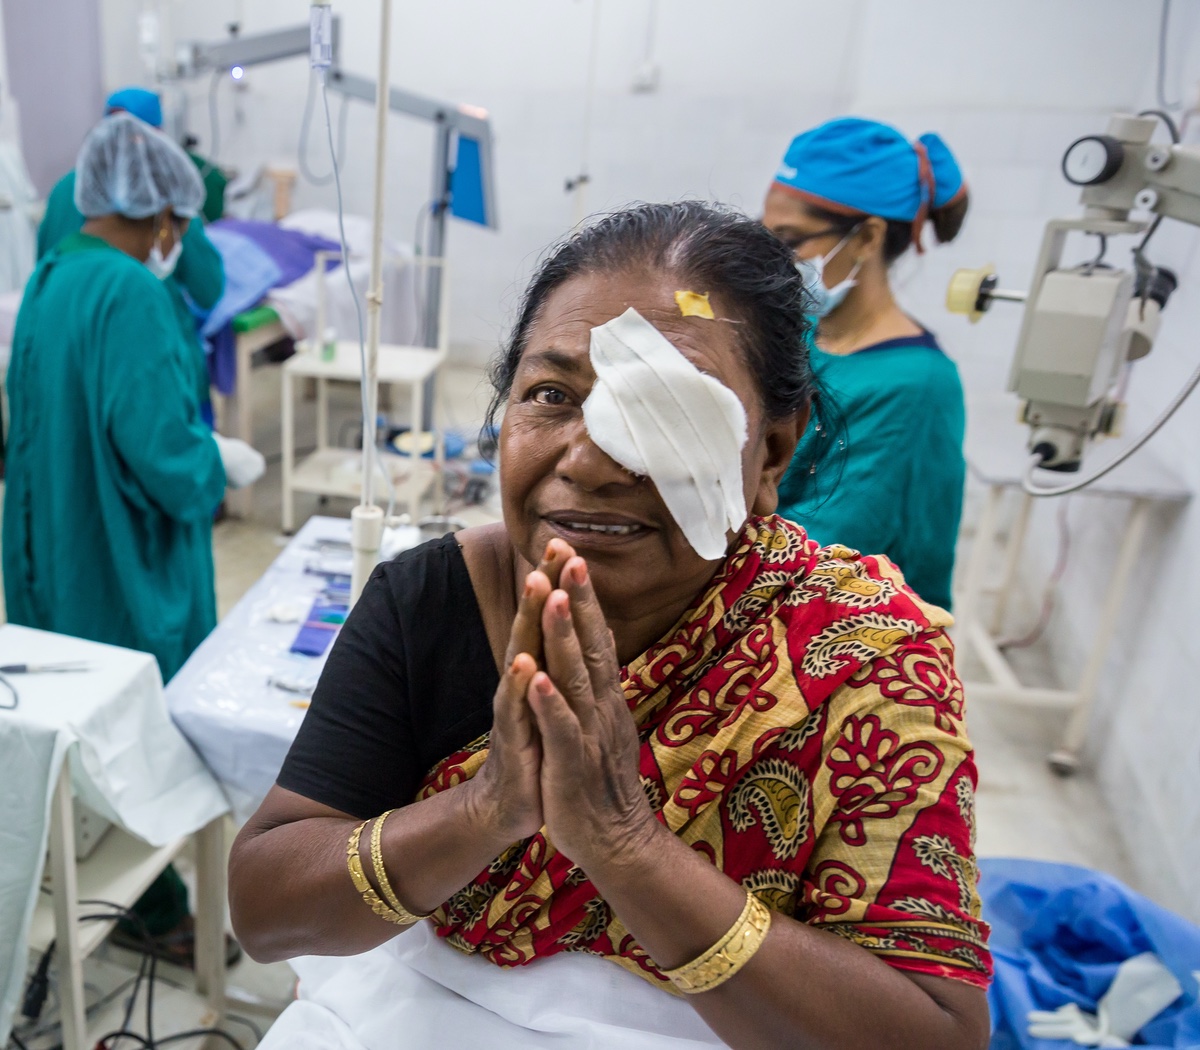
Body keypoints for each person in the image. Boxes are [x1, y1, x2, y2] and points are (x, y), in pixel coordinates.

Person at [231, 201, 991, 1050]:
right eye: (550, 396)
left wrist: (625, 845)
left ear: (771, 453)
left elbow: (936, 1034)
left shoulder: (861, 658)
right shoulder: (431, 600)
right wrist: (484, 812)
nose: (587, 461)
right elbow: (264, 914)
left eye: (665, 412)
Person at [3, 112, 260, 959]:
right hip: (118, 558)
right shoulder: (136, 295)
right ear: (163, 218)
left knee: (71, 723)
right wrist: (215, 460)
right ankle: (153, 911)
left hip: (50, 546)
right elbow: (159, 455)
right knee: (143, 726)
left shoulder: (50, 277)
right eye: (177, 226)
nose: (175, 240)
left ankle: (92, 884)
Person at [763, 117, 969, 611]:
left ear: (866, 238)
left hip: (846, 630)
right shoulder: (801, 333)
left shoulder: (915, 386)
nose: (773, 260)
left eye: (790, 242)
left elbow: (820, 554)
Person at [37, 87, 224, 424]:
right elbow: (209, 287)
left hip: (64, 383)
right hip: (158, 379)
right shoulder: (164, 200)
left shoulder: (66, 196)